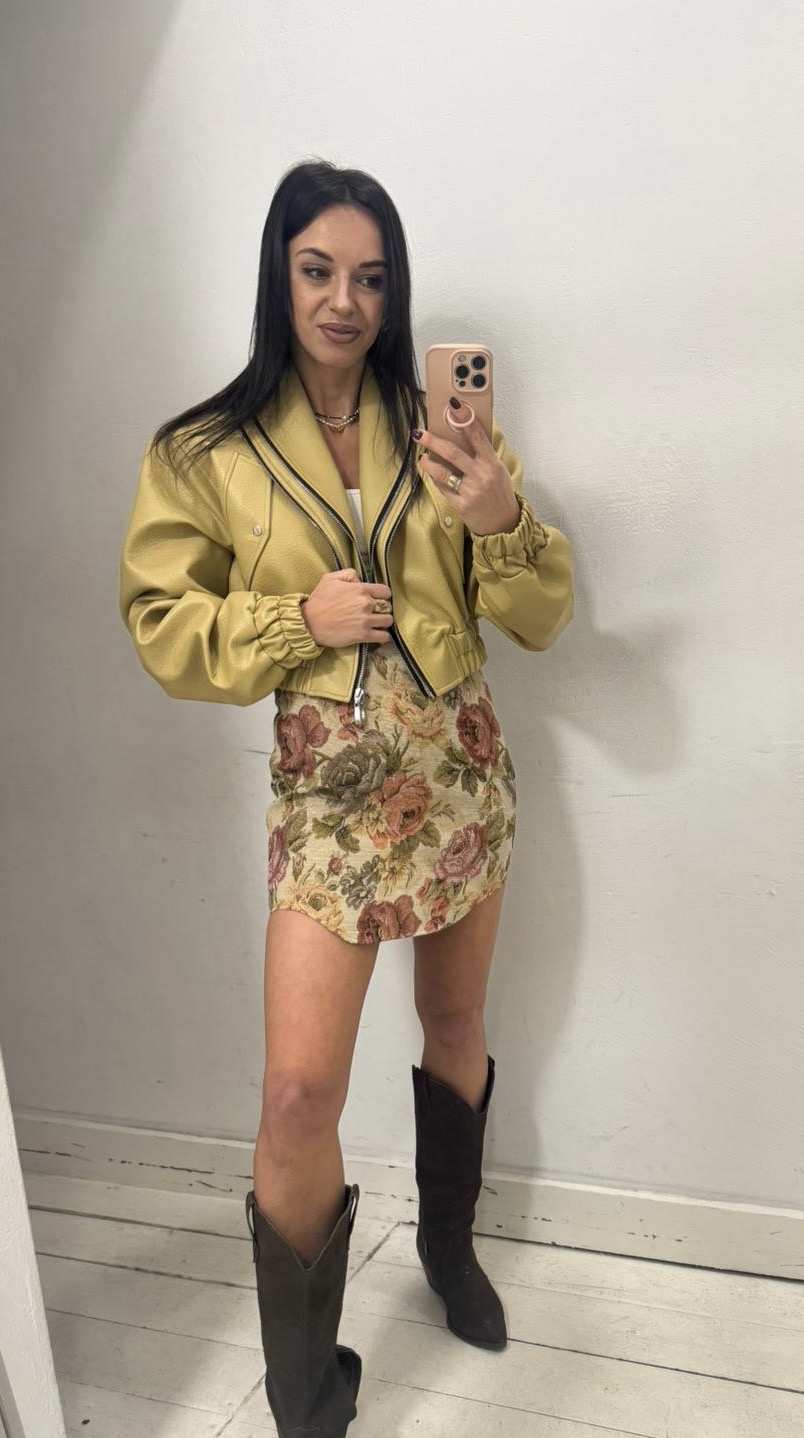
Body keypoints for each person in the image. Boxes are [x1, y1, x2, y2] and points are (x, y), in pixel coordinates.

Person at [119, 158, 573, 1436]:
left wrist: (501, 516)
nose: (344, 301)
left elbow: (541, 614)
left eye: (371, 277)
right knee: (296, 1093)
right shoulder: (203, 452)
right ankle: (309, 1398)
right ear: (279, 275)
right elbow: (161, 624)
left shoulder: (445, 428)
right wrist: (293, 621)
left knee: (456, 1020)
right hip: (329, 796)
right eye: (318, 270)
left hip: (459, 770)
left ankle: (447, 1250)